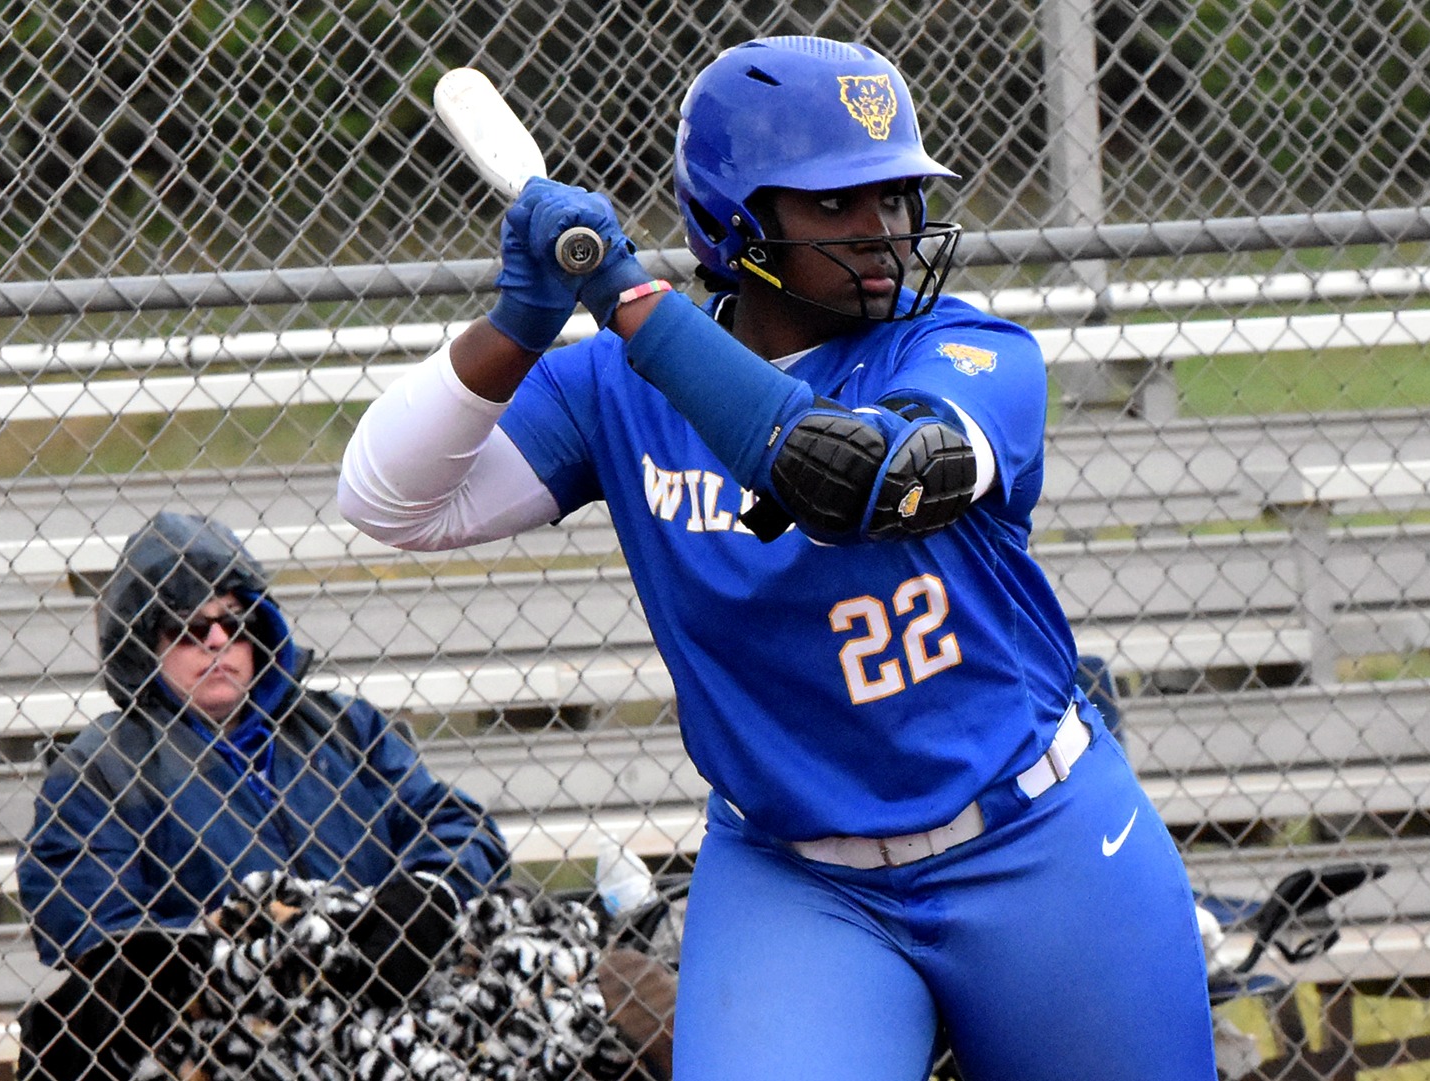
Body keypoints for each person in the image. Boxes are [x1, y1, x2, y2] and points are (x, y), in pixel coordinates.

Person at [338, 35, 1216, 1081]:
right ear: (735, 221)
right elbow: (389, 500)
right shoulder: (615, 390)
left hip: (1040, 847)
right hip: (799, 884)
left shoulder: (968, 350)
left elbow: (851, 479)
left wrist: (632, 304)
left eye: (893, 197)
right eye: (836, 205)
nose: (883, 229)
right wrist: (517, 325)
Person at [14, 511, 674, 1080]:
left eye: (232, 621)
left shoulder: (342, 726)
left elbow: (457, 824)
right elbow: (89, 925)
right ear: (141, 646)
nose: (216, 640)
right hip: (239, 1024)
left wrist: (428, 893)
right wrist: (264, 947)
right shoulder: (98, 767)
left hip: (395, 988)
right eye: (186, 627)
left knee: (545, 968)